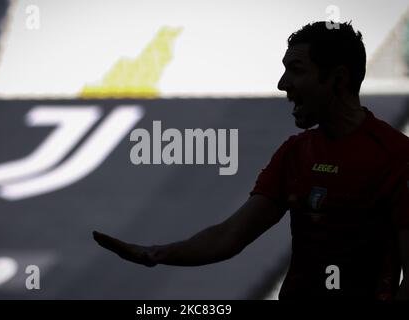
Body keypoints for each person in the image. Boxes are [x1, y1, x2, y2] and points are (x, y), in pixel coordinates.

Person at [93, 21, 409, 300]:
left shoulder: (396, 156)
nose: (282, 84)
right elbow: (229, 237)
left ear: (338, 79)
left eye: (296, 70)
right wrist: (157, 253)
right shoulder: (295, 152)